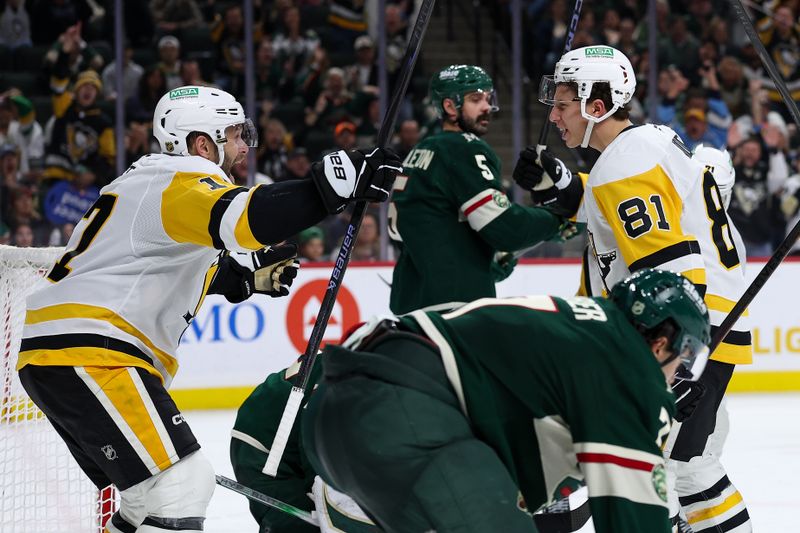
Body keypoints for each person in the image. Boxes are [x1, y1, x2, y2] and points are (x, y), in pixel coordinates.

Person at [17, 85, 401, 533]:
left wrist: (239, 279)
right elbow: (246, 220)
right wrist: (331, 187)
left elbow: (150, 263)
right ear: (202, 143)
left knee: (145, 503)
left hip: (68, 353)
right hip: (92, 353)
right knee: (182, 484)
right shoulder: (179, 177)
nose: (243, 148)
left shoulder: (152, 182)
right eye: (236, 135)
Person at [513, 45, 752, 532]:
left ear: (595, 106)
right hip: (703, 328)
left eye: (561, 105)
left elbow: (672, 267)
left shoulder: (626, 162)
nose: (553, 116)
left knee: (643, 469)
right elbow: (609, 204)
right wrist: (557, 181)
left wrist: (681, 360)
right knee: (686, 467)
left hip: (683, 334)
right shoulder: (645, 146)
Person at [303, 268, 711, 533]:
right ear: (661, 343)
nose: (679, 376)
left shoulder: (580, 323)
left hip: (334, 420)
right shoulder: (628, 366)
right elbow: (634, 517)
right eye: (685, 359)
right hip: (405, 419)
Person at [388, 64, 566, 314]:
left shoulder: (419, 152)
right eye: (475, 99)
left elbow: (413, 231)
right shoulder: (464, 148)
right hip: (455, 304)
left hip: (409, 302)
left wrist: (485, 260)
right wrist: (557, 218)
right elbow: (504, 226)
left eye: (487, 97)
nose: (486, 106)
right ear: (450, 106)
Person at [231, 355, 379, 533]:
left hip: (294, 433)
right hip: (264, 449)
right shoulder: (349, 385)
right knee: (302, 524)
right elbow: (318, 452)